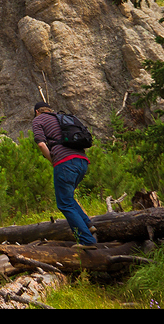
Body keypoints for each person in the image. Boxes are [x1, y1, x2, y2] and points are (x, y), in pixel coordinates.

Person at [32, 102, 97, 249]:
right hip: (82, 162)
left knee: (64, 203)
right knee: (68, 199)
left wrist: (52, 160)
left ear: (37, 111)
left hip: (65, 163)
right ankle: (88, 224)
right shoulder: (61, 117)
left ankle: (87, 241)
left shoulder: (38, 119)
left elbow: (41, 145)